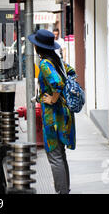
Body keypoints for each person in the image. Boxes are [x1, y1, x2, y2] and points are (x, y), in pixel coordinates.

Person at [28, 29, 77, 194]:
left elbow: (57, 83)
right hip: (63, 114)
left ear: (38, 47)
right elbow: (71, 73)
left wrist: (53, 98)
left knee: (55, 156)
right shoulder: (57, 60)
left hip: (52, 117)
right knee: (60, 155)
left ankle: (61, 191)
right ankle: (65, 189)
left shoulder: (45, 64)